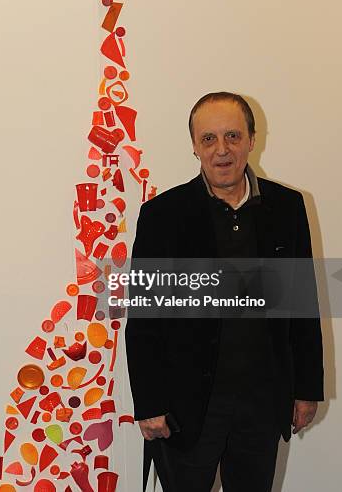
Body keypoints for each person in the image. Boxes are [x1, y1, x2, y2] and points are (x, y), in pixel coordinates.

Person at [124, 92, 324, 492]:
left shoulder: (286, 208)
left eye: (232, 136)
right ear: (195, 147)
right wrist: (149, 404)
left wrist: (306, 388)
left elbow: (303, 304)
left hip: (261, 404)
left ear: (252, 139)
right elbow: (145, 319)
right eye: (209, 139)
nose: (222, 150)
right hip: (186, 407)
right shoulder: (163, 215)